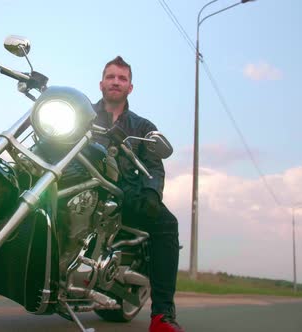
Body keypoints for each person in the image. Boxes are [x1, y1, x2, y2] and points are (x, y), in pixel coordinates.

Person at [93, 56, 184, 332]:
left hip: (126, 194)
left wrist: (151, 195)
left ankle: (162, 315)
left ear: (130, 87)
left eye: (122, 78)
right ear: (101, 84)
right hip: (88, 186)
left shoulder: (143, 126)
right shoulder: (82, 113)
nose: (116, 82)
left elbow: (154, 165)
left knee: (168, 224)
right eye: (111, 77)